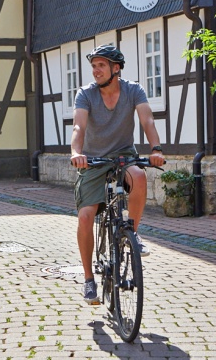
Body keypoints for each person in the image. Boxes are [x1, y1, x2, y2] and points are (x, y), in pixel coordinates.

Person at [70, 44, 165, 305]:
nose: (95, 70)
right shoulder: (86, 94)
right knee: (86, 216)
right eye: (94, 66)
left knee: (140, 176)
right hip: (93, 160)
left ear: (116, 68)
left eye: (101, 65)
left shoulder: (133, 90)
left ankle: (131, 233)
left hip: (124, 155)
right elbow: (79, 125)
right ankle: (89, 280)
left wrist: (155, 148)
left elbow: (147, 120)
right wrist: (76, 152)